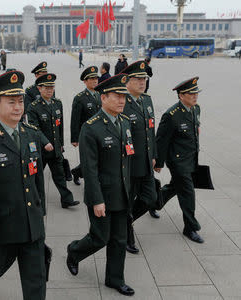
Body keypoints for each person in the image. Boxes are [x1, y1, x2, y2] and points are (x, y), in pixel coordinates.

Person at [0, 70, 47, 300]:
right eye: (11, 102)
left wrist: (40, 211)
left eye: (20, 101)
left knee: (36, 277)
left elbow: (38, 180)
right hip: (5, 225)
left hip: (32, 223)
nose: (18, 107)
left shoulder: (31, 134)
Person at [66, 74, 135, 296]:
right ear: (103, 98)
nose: (122, 100)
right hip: (102, 196)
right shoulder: (91, 128)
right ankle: (74, 251)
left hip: (122, 193)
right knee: (99, 238)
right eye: (117, 96)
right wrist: (96, 199)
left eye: (124, 96)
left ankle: (115, 279)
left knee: (119, 239)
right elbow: (89, 169)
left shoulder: (124, 122)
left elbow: (127, 158)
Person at [155, 77, 204, 244]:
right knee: (188, 193)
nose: (195, 96)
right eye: (191, 93)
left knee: (175, 187)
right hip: (177, 162)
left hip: (191, 158)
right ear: (181, 95)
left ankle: (153, 202)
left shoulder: (195, 109)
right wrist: (159, 162)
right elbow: (161, 141)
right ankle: (190, 227)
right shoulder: (171, 115)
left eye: (196, 92)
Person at [121, 61, 158, 254]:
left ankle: (126, 221)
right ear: (127, 80)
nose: (142, 82)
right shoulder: (121, 102)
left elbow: (151, 131)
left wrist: (155, 156)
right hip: (129, 164)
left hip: (146, 162)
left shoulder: (146, 100)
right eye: (138, 79)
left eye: (144, 79)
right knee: (128, 201)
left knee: (150, 198)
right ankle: (127, 233)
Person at [27, 73, 79, 209]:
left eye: (52, 87)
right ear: (39, 88)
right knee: (36, 177)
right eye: (47, 88)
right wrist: (45, 142)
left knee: (60, 176)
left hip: (55, 148)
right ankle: (34, 199)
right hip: (41, 150)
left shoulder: (58, 103)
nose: (50, 90)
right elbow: (34, 129)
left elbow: (59, 126)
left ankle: (67, 199)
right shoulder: (33, 107)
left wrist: (60, 144)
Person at [70, 66, 101, 185]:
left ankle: (77, 171)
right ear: (85, 81)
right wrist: (74, 138)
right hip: (86, 135)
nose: (94, 81)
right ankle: (90, 182)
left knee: (97, 159)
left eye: (96, 78)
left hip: (99, 134)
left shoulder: (99, 95)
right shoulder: (80, 98)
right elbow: (75, 120)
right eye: (91, 79)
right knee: (89, 160)